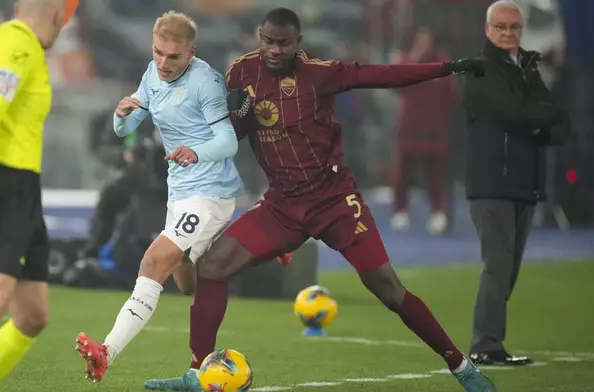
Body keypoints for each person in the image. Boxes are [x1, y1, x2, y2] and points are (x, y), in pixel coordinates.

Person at [145, 8, 497, 392]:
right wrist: (236, 117)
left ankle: (461, 366)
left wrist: (448, 68)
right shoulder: (241, 73)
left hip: (334, 201)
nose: (274, 50)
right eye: (268, 42)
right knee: (213, 266)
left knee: (389, 291)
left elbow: (379, 76)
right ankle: (197, 375)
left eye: (284, 43)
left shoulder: (319, 73)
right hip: (282, 206)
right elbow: (236, 136)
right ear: (258, 38)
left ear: (299, 44)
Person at [74, 11, 243, 382]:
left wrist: (196, 152)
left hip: (210, 191)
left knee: (153, 259)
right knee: (186, 278)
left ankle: (106, 352)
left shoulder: (207, 83)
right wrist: (122, 115)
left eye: (174, 57)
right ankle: (244, 252)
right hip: (179, 190)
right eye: (158, 53)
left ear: (191, 51)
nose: (164, 63)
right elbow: (128, 127)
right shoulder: (153, 74)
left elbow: (228, 141)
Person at [463, 0, 569, 366]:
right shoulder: (479, 70)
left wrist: (536, 118)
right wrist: (538, 116)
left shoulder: (527, 68)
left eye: (514, 27)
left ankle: (488, 340)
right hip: (492, 183)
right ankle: (484, 345)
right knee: (497, 266)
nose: (509, 33)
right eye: (501, 26)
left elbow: (559, 123)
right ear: (487, 30)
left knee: (507, 271)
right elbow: (518, 114)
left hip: (524, 182)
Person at [0, 0, 75, 390]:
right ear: (59, 16)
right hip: (5, 181)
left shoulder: (15, 46)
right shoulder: (17, 46)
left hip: (24, 188)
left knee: (32, 315)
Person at [391, 26, 458, 234]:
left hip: (434, 129)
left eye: (427, 40)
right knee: (404, 172)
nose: (423, 45)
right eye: (420, 40)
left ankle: (438, 212)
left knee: (436, 173)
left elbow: (453, 95)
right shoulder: (405, 60)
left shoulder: (442, 64)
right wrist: (412, 60)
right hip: (409, 126)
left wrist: (441, 117)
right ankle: (400, 211)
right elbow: (392, 83)